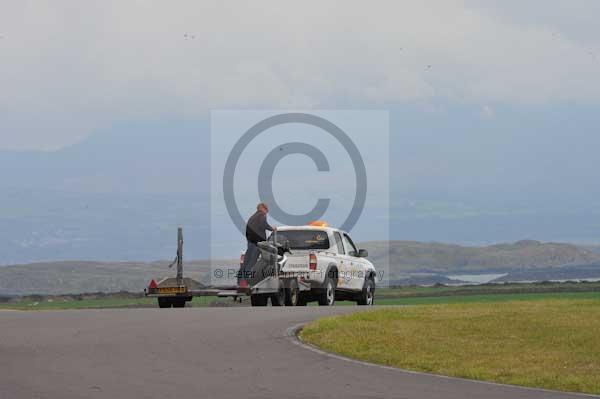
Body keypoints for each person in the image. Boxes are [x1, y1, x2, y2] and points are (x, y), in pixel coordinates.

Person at [238, 202, 276, 289]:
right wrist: (272, 228)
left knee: (246, 261)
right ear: (262, 208)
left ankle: (241, 281)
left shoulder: (252, 217)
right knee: (252, 261)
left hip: (250, 241)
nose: (267, 211)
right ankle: (245, 281)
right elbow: (263, 224)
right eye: (266, 209)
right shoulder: (261, 215)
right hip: (256, 242)